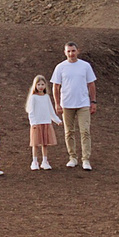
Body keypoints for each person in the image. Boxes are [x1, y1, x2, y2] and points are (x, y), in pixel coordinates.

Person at [50, 42, 98, 170]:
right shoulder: (60, 67)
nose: (71, 53)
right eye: (69, 51)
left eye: (73, 51)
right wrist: (57, 103)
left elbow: (91, 84)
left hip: (83, 104)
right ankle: (72, 157)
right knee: (69, 131)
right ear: (65, 52)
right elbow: (56, 86)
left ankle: (86, 159)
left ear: (78, 51)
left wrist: (93, 102)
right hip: (67, 104)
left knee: (85, 131)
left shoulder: (85, 66)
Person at [25, 74, 58, 169]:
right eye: (38, 84)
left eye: (42, 84)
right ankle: (34, 161)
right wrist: (33, 123)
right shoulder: (33, 97)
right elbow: (31, 111)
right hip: (36, 123)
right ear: (35, 85)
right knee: (35, 143)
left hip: (46, 122)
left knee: (45, 143)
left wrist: (56, 120)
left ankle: (45, 161)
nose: (40, 86)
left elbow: (50, 110)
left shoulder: (46, 97)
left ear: (45, 85)